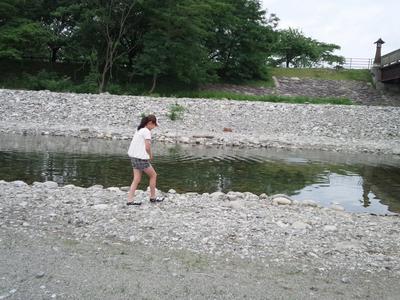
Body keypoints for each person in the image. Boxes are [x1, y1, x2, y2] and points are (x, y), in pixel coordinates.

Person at [126, 114, 164, 205]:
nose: (154, 127)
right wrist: (150, 155)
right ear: (150, 123)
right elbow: (147, 147)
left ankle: (130, 200)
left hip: (133, 157)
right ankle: (153, 197)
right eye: (154, 125)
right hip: (140, 158)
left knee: (136, 179)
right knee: (153, 175)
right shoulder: (146, 131)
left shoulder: (139, 129)